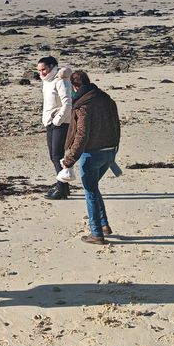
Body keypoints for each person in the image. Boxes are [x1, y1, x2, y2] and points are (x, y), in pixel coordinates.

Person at [61, 70, 121, 245]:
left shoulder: (83, 105)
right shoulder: (106, 99)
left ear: (75, 86)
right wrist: (115, 149)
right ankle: (104, 225)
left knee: (90, 191)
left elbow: (81, 135)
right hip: (110, 151)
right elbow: (117, 125)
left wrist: (69, 160)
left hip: (92, 153)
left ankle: (96, 234)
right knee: (93, 188)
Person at [38, 56, 73, 199]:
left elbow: (68, 103)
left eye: (44, 69)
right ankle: (63, 186)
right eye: (39, 70)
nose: (41, 73)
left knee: (57, 156)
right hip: (50, 122)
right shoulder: (47, 82)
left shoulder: (61, 80)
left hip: (61, 123)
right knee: (54, 156)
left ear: (52, 67)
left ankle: (61, 188)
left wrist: (57, 121)